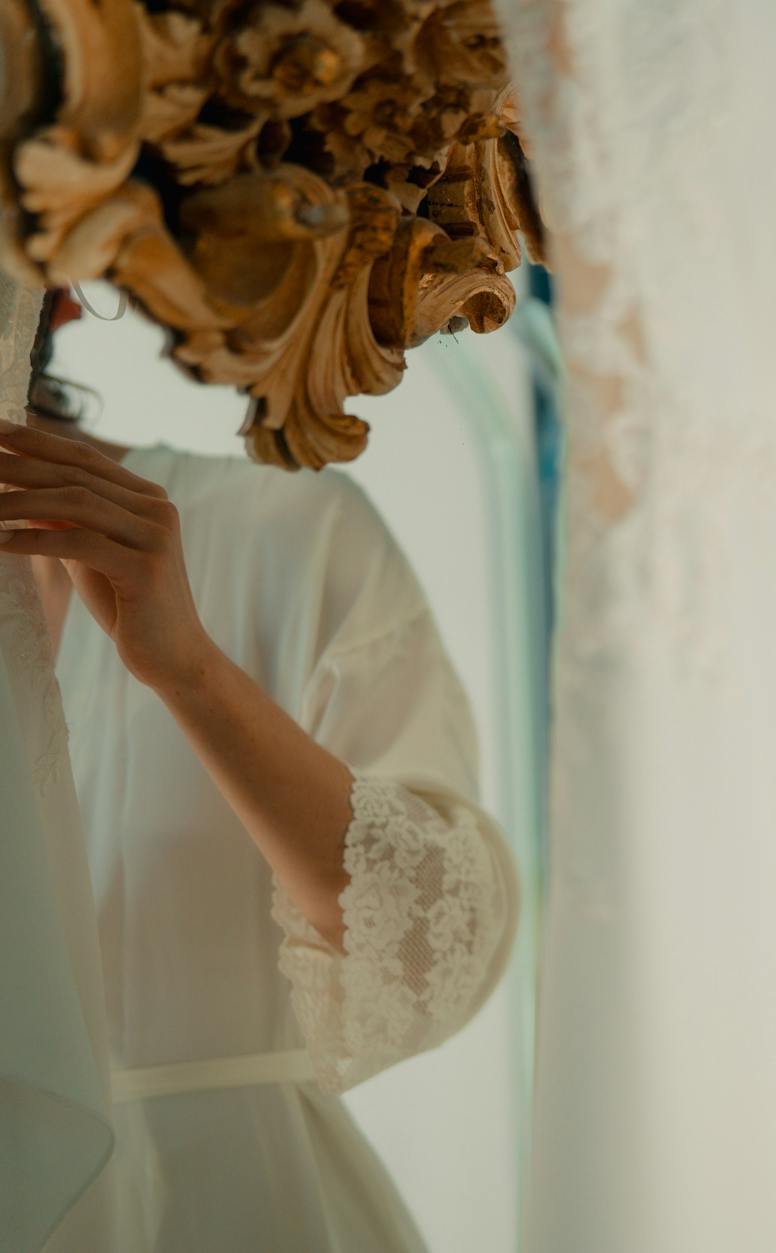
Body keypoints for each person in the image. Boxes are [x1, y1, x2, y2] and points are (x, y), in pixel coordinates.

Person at [0, 289, 520, 1251]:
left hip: (241, 1204)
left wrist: (192, 670)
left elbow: (438, 949)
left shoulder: (284, 529)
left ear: (57, 293)